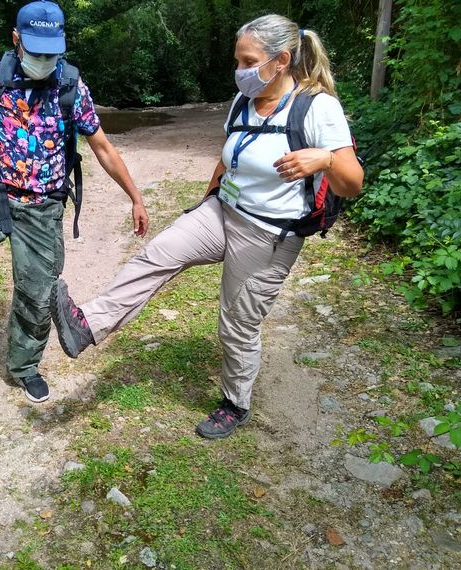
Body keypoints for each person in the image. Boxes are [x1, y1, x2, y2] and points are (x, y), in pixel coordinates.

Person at [50, 14, 363, 438]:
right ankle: (87, 324)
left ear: (282, 60)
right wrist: (208, 198)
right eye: (237, 62)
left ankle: (235, 402)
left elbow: (353, 182)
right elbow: (229, 154)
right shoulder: (242, 104)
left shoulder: (317, 106)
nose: (240, 72)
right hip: (222, 212)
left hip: (268, 234)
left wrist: (324, 159)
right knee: (156, 255)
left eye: (248, 61)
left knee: (236, 322)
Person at [0, 1, 149, 412]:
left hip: (44, 204)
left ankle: (25, 365)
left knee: (37, 289)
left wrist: (135, 196)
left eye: (52, 51)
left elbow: (102, 147)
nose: (44, 59)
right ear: (16, 40)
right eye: (36, 50)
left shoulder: (71, 89)